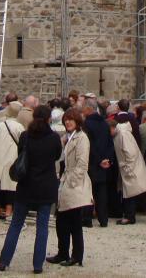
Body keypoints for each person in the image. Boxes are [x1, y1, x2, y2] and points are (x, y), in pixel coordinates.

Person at [0, 105, 62, 274]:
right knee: (42, 227)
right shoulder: (53, 138)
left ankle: (4, 261)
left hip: (26, 185)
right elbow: (56, 156)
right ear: (48, 119)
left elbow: (21, 156)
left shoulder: (25, 136)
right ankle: (38, 265)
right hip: (45, 186)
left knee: (16, 225)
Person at [47, 108, 92, 267]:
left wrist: (72, 181)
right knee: (62, 221)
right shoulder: (67, 137)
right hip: (65, 181)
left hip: (74, 183)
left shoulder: (82, 138)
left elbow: (82, 163)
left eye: (71, 120)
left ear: (77, 121)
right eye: (66, 120)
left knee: (74, 222)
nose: (68, 122)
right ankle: (63, 252)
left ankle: (76, 255)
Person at [109, 113, 146, 224]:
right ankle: (128, 215)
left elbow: (130, 153)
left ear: (112, 128)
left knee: (129, 193)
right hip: (128, 167)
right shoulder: (120, 134)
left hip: (130, 167)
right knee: (128, 192)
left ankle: (129, 216)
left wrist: (127, 168)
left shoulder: (123, 135)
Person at [81, 97, 114, 227]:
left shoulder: (86, 125)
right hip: (103, 163)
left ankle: (87, 219)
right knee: (101, 192)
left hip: (91, 162)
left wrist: (99, 160)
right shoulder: (105, 124)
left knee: (88, 190)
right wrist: (107, 159)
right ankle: (103, 218)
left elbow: (89, 145)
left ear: (88, 109)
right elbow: (109, 144)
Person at [0, 101, 25, 219]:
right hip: (12, 157)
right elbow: (22, 143)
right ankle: (8, 210)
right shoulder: (19, 127)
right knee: (11, 185)